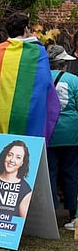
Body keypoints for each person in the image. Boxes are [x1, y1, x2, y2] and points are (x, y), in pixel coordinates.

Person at [0, 12, 60, 144]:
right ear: (26, 29)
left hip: (2, 116)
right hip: (29, 115)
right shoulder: (37, 52)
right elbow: (45, 84)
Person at [46, 44, 78, 230]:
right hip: (71, 132)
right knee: (71, 172)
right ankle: (73, 213)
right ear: (63, 64)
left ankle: (50, 213)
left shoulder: (40, 80)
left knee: (50, 171)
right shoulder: (74, 80)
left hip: (49, 131)